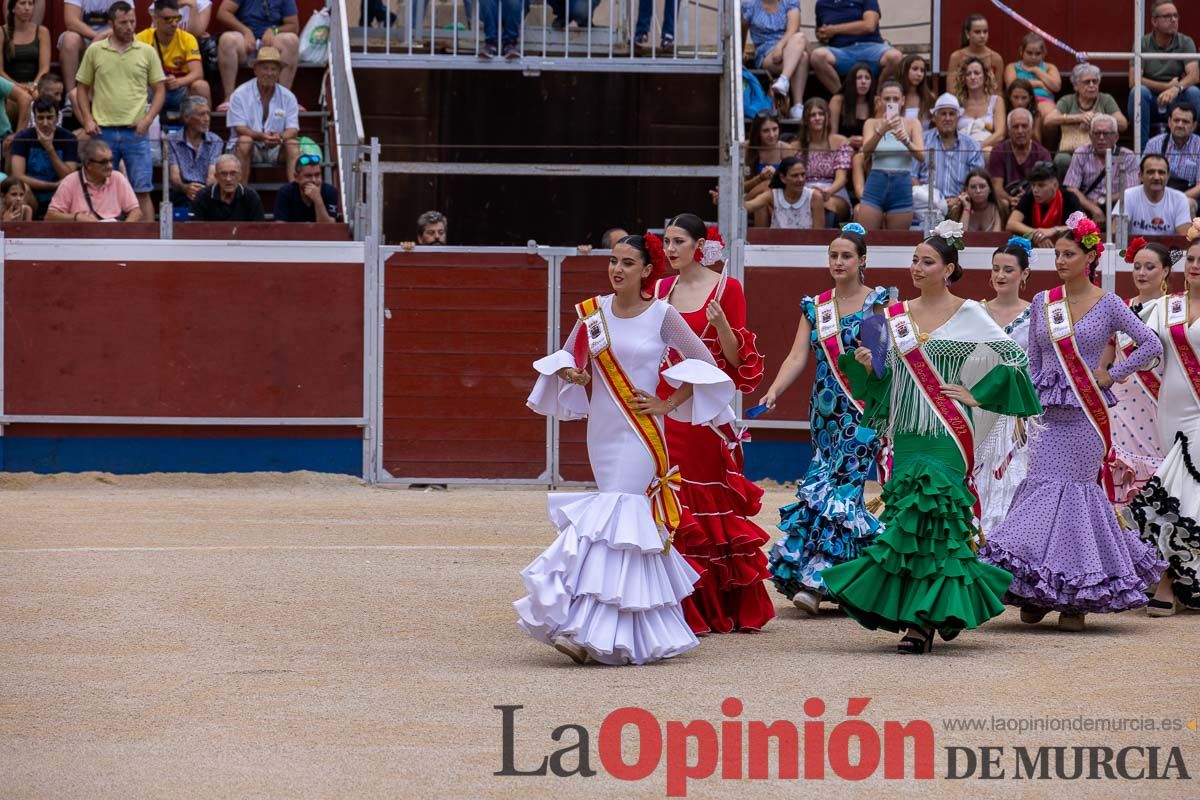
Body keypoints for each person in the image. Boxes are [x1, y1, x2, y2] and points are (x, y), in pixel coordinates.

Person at [822, 221, 1042, 654]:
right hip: (907, 431)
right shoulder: (895, 315)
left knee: (937, 518)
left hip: (947, 430)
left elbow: (1015, 359)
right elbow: (886, 380)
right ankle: (933, 607)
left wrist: (977, 396)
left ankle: (920, 624)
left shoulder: (971, 313)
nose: (917, 268)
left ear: (949, 269)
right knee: (908, 521)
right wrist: (868, 368)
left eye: (927, 262)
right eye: (914, 260)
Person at [517, 234, 736, 664]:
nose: (618, 270)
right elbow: (569, 359)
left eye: (628, 263)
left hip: (642, 431)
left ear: (648, 271)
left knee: (618, 514)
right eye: (614, 261)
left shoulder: (663, 314)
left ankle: (585, 631)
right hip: (603, 429)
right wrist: (576, 377)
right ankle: (628, 629)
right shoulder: (592, 314)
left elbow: (704, 364)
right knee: (615, 528)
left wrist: (669, 403)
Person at [979, 213, 1165, 633]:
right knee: (1041, 493)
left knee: (1075, 498)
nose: (1060, 260)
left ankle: (1075, 597)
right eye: (1057, 254)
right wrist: (1025, 410)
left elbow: (1150, 342)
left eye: (1068, 254)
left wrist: (1112, 373)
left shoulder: (1110, 303)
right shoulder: (1045, 302)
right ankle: (1040, 588)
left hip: (1086, 418)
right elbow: (1036, 362)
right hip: (1047, 416)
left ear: (1090, 256)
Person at [651, 214, 773, 635]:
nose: (669, 249)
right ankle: (677, 602)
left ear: (699, 245)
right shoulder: (661, 289)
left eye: (678, 241)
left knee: (704, 500)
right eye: (666, 241)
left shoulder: (727, 287)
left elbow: (739, 365)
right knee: (672, 499)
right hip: (664, 409)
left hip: (705, 414)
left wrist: (721, 326)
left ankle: (715, 603)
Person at [760, 223, 887, 614]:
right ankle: (849, 578)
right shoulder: (815, 306)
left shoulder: (876, 303)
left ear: (862, 260)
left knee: (843, 491)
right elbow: (797, 355)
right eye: (833, 255)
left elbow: (885, 360)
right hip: (824, 413)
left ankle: (819, 582)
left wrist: (873, 361)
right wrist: (775, 389)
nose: (838, 261)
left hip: (860, 411)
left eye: (846, 255)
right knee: (820, 486)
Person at [1127, 236, 1200, 615]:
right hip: (1170, 411)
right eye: (1191, 258)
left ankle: (1168, 582)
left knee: (1186, 490)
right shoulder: (1165, 307)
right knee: (1176, 489)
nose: (1195, 264)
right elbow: (1142, 349)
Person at [74, 1, 165, 223]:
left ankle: (147, 247)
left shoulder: (147, 51)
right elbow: (81, 88)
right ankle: (104, 239)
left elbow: (160, 90)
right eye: (123, 22)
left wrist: (148, 119)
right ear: (111, 24)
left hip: (136, 132)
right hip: (102, 132)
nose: (129, 27)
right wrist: (87, 118)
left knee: (142, 190)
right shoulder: (95, 50)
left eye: (132, 21)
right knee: (101, 188)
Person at [976, 238, 1035, 536]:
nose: (1000, 275)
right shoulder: (974, 312)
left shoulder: (1035, 315)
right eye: (996, 268)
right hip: (979, 412)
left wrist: (1024, 414)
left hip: (1017, 416)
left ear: (1024, 274)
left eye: (1008, 270)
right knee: (980, 480)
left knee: (1011, 480)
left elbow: (1038, 370)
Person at [1107, 238, 1172, 507]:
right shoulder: (1119, 307)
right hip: (1121, 405)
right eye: (1137, 267)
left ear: (1166, 271)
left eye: (1149, 267)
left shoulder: (1174, 309)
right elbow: (1106, 360)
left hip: (1159, 400)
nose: (1142, 274)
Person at [1128, 1, 1200, 147]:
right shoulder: (1142, 43)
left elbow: (1194, 75)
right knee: (1139, 92)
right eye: (1167, 16)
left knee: (1193, 92)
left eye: (1175, 16)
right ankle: (1141, 153)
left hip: (1176, 100)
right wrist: (1166, 87)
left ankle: (1193, 150)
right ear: (1154, 21)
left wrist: (1175, 89)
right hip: (1151, 101)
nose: (1173, 20)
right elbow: (1133, 80)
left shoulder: (1185, 41)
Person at [855, 80, 924, 231]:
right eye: (887, 99)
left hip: (902, 182)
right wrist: (882, 130)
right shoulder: (871, 123)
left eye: (895, 99)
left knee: (897, 241)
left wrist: (906, 140)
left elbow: (922, 156)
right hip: (876, 181)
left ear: (903, 101)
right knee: (867, 238)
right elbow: (865, 152)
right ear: (879, 101)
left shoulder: (912, 123)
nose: (891, 102)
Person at [227, 46, 300, 183]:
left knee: (293, 144)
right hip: (249, 146)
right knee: (245, 141)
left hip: (276, 146)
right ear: (255, 70)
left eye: (274, 69)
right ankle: (240, 193)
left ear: (279, 72)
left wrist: (280, 137)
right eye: (265, 68)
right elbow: (239, 128)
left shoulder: (288, 96)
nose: (269, 73)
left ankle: (294, 194)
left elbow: (293, 129)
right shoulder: (240, 94)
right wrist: (261, 136)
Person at [913, 93, 984, 222]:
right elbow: (912, 176)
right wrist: (931, 200)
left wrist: (959, 199)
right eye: (943, 114)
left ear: (958, 117)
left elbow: (977, 179)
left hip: (961, 205)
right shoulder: (922, 140)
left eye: (951, 114)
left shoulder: (971, 145)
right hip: (926, 206)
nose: (947, 118)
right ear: (935, 117)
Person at [1045, 63, 1128, 173]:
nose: (1092, 85)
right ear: (1076, 86)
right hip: (1071, 150)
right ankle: (1066, 190)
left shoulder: (1105, 99)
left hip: (1101, 149)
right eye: (1086, 82)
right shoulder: (1068, 101)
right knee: (1061, 159)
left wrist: (1101, 118)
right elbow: (1048, 120)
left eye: (1095, 81)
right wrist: (1078, 117)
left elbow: (1123, 124)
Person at [215, 0, 299, 104]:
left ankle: (284, 99)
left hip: (271, 44)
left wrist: (274, 30)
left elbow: (293, 25)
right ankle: (229, 98)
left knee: (291, 40)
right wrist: (245, 31)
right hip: (245, 42)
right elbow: (223, 13)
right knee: (227, 40)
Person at [137, 0, 210, 117]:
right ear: (155, 19)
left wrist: (179, 82)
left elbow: (198, 73)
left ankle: (202, 133)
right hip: (153, 89)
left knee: (201, 86)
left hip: (180, 90)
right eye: (168, 19)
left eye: (177, 18)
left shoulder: (187, 39)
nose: (174, 24)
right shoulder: (142, 39)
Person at [809, 0, 901, 94]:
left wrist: (834, 30)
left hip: (872, 48)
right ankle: (841, 98)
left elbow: (869, 26)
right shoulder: (821, 3)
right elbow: (820, 30)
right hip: (842, 52)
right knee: (817, 56)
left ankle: (879, 97)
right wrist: (822, 35)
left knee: (895, 57)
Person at [1063, 114, 1138, 226]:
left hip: (1115, 206)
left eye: (1106, 133)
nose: (1101, 138)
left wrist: (1102, 202)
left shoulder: (1127, 156)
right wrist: (1093, 208)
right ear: (1090, 136)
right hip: (1086, 206)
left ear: (1116, 137)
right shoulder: (1081, 153)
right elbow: (1071, 188)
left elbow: (1131, 190)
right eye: (1097, 133)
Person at [9, 95, 78, 218]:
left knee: (74, 188)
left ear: (57, 117)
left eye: (49, 117)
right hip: (32, 195)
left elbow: (69, 177)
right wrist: (51, 185)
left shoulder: (69, 138)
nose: (45, 123)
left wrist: (49, 148)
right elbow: (18, 176)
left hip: (59, 194)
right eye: (40, 118)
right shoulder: (22, 137)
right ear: (34, 118)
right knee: (22, 189)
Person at [45, 137, 143, 222]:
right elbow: (50, 217)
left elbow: (136, 212)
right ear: (88, 164)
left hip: (113, 237)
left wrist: (122, 230)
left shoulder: (118, 178)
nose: (110, 166)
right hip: (80, 236)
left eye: (111, 160)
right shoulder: (70, 181)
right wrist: (76, 217)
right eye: (103, 162)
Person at [741, 0, 807, 119]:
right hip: (766, 52)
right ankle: (797, 106)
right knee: (802, 57)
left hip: (789, 46)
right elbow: (741, 31)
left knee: (800, 40)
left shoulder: (789, 2)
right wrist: (741, 51)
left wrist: (780, 46)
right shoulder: (750, 5)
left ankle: (784, 81)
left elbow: (793, 29)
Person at [796, 97, 852, 224]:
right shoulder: (796, 146)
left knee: (825, 203)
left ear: (827, 117)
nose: (817, 118)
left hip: (834, 192)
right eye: (812, 115)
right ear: (805, 120)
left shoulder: (840, 142)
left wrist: (828, 191)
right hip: (802, 192)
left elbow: (842, 177)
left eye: (821, 114)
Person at [1006, 161, 1084, 245]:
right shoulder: (1028, 197)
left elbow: (1082, 224)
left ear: (1055, 185)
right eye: (1033, 185)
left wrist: (1054, 230)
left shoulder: (1069, 198)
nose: (1035, 190)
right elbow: (1011, 224)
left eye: (1041, 185)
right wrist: (1039, 234)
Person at [989, 108, 1052, 211]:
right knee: (1003, 203)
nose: (1020, 131)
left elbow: (1046, 186)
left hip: (1035, 200)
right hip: (1008, 200)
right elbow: (997, 188)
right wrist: (1010, 199)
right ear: (1009, 131)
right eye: (1015, 127)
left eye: (1024, 126)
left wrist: (1026, 200)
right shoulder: (998, 151)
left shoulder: (1042, 154)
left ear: (1031, 129)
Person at [166, 95, 222, 209]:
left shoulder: (216, 140)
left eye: (208, 113)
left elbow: (212, 175)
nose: (207, 119)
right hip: (181, 191)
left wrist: (202, 191)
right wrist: (185, 188)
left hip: (207, 190)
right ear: (187, 117)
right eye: (202, 114)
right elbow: (174, 175)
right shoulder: (171, 140)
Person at [1120, 154, 1191, 237]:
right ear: (1141, 176)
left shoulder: (1180, 199)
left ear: (1168, 176)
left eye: (1161, 172)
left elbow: (1184, 239)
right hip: (1135, 249)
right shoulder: (1128, 196)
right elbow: (1117, 233)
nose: (1156, 177)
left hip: (1167, 249)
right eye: (1150, 172)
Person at [1145, 101, 1200, 208]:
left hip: (1188, 196)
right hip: (1156, 194)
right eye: (1176, 120)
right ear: (1169, 122)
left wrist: (1174, 200)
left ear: (1194, 126)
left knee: (1187, 205)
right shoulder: (1154, 143)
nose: (1180, 125)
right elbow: (1143, 176)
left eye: (1185, 121)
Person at [59, 0, 114, 104]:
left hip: (110, 38)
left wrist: (101, 38)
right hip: (83, 38)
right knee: (70, 39)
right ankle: (71, 96)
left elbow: (126, 19)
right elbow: (71, 21)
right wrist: (96, 37)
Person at [744, 155, 822, 228]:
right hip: (776, 242)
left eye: (803, 174)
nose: (801, 179)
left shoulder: (815, 197)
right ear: (783, 178)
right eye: (795, 175)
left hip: (806, 242)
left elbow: (818, 233)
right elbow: (748, 206)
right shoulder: (773, 195)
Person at [187, 153, 265, 221]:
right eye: (223, 174)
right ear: (216, 176)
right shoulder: (202, 197)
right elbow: (195, 229)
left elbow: (259, 230)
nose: (228, 179)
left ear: (240, 176)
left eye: (233, 173)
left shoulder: (251, 197)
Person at [955, 56, 1006, 154]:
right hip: (961, 148)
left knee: (988, 152)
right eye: (968, 74)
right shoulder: (958, 102)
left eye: (977, 73)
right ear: (964, 79)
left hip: (986, 147)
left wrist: (978, 146)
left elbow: (1000, 134)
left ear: (985, 76)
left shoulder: (996, 101)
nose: (972, 77)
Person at [945, 13, 1004, 96]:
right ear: (967, 34)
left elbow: (998, 91)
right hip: (962, 104)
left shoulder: (996, 58)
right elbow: (951, 91)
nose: (982, 36)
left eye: (985, 31)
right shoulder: (956, 57)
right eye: (977, 32)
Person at [744, 109, 796, 203]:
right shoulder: (746, 148)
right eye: (766, 131)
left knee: (766, 193)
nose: (772, 135)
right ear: (758, 132)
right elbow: (741, 187)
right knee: (766, 187)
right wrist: (760, 178)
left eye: (775, 129)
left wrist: (776, 176)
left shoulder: (786, 149)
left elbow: (792, 184)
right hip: (751, 199)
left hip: (778, 201)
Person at [1003, 33, 1061, 113]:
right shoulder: (1012, 67)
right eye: (1029, 53)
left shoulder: (1049, 67)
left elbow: (1056, 87)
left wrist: (1036, 70)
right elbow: (1012, 85)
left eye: (1038, 53)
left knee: (1047, 113)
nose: (1033, 57)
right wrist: (1039, 84)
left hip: (1043, 100)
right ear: (1021, 51)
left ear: (1044, 53)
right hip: (1020, 101)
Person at [0, 0, 49, 92]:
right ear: (13, 8)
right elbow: (0, 71)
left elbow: (44, 68)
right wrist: (17, 86)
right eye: (22, 3)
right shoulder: (2, 32)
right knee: (23, 98)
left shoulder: (42, 32)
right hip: (9, 86)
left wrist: (34, 85)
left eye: (30, 4)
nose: (27, 8)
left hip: (34, 86)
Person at [274, 154, 337, 223]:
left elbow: (329, 228)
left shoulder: (330, 191)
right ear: (296, 177)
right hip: (293, 233)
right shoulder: (285, 193)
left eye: (317, 175)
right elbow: (280, 227)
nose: (314, 180)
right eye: (308, 176)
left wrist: (318, 200)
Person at [828, 61, 875, 150]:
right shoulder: (838, 101)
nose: (863, 82)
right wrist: (847, 141)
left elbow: (879, 135)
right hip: (843, 150)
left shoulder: (876, 102)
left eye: (867, 78)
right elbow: (831, 136)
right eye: (859, 78)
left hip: (866, 150)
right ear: (851, 80)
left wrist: (865, 141)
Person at [949, 167, 1004, 232]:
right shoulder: (957, 210)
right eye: (973, 187)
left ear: (990, 189)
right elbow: (960, 238)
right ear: (967, 190)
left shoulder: (998, 207)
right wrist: (966, 208)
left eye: (982, 186)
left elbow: (996, 237)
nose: (978, 191)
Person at [898, 53, 934, 131]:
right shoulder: (895, 97)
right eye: (915, 69)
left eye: (922, 70)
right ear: (904, 71)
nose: (919, 74)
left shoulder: (929, 98)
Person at [1005, 78, 1043, 143]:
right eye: (1016, 97)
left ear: (1030, 98)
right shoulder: (1004, 110)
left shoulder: (1035, 112)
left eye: (1024, 98)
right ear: (1009, 97)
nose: (1020, 102)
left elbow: (1037, 140)